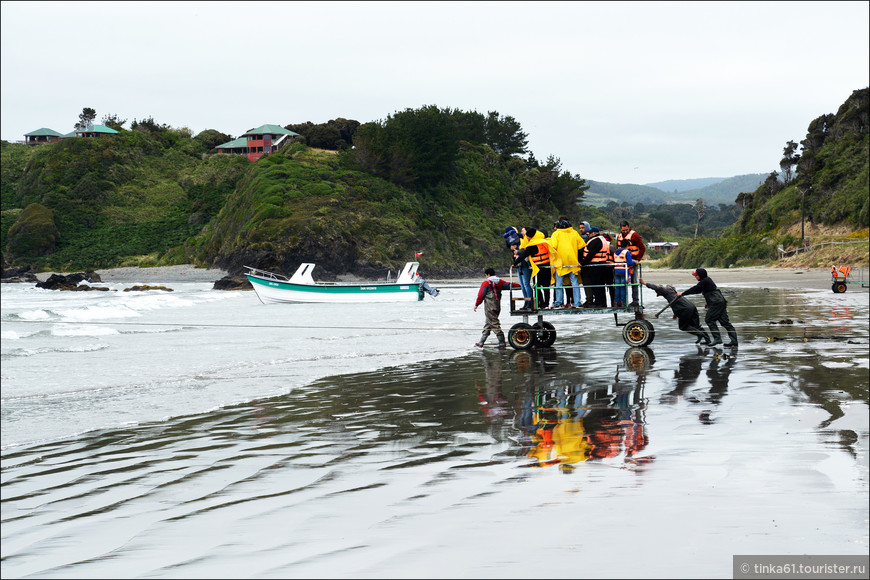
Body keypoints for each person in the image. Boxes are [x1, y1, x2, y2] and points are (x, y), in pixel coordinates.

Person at [639, 277, 711, 344]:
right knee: (696, 325)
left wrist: (644, 283)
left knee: (683, 327)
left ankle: (701, 334)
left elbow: (656, 287)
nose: (658, 294)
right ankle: (707, 340)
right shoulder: (671, 290)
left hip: (685, 309)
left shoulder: (664, 291)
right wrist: (675, 314)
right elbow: (674, 303)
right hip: (691, 306)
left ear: (660, 291)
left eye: (658, 293)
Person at [678, 268, 738, 347]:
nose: (695, 277)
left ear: (700, 275)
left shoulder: (705, 281)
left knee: (709, 320)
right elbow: (698, 290)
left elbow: (695, 289)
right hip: (720, 301)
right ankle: (734, 341)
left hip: (716, 303)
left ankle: (717, 339)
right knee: (725, 322)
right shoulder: (706, 281)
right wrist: (708, 303)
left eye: (696, 275)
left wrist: (682, 294)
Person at [473, 267, 520, 349]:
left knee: (494, 324)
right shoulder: (500, 282)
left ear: (488, 275)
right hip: (497, 307)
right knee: (489, 323)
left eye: (485, 275)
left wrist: (476, 304)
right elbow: (510, 285)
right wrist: (521, 286)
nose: (485, 277)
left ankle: (502, 343)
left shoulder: (486, 283)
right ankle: (481, 342)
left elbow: (481, 295)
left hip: (489, 308)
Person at [513, 227, 559, 309]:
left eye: (527, 236)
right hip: (547, 267)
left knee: (536, 287)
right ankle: (546, 303)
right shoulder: (544, 242)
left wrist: (515, 263)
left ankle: (540, 303)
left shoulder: (532, 245)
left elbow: (523, 255)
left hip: (538, 269)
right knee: (546, 287)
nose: (526, 238)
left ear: (531, 237)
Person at [549, 218, 585, 308]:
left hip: (560, 262)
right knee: (575, 283)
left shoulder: (556, 234)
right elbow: (582, 245)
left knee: (559, 284)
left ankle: (558, 302)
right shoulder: (574, 233)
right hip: (573, 262)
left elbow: (553, 246)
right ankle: (577, 303)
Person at [615, 221, 646, 306]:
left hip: (632, 262)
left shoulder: (634, 235)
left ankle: (635, 300)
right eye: (623, 230)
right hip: (621, 263)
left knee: (633, 281)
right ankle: (622, 301)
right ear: (621, 229)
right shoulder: (619, 236)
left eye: (626, 230)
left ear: (629, 227)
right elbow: (617, 249)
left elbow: (642, 248)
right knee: (621, 283)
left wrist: (638, 259)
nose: (625, 232)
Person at [578, 226, 610, 307]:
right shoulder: (602, 239)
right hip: (602, 265)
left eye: (590, 233)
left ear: (595, 233)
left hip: (595, 267)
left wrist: (582, 263)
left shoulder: (596, 241)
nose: (588, 234)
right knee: (601, 286)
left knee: (596, 286)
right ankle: (603, 303)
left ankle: (598, 303)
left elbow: (591, 254)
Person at [506, 226, 533, 310]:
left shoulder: (525, 240)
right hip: (519, 265)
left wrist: (517, 251)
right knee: (522, 285)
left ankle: (530, 302)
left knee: (526, 284)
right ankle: (526, 302)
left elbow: (525, 252)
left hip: (525, 264)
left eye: (523, 231)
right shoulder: (517, 241)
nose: (521, 233)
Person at [612, 241, 635, 307]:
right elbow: (630, 263)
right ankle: (623, 302)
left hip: (616, 271)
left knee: (617, 287)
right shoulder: (626, 252)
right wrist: (635, 262)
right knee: (623, 287)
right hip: (624, 271)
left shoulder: (615, 252)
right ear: (627, 245)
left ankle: (616, 302)